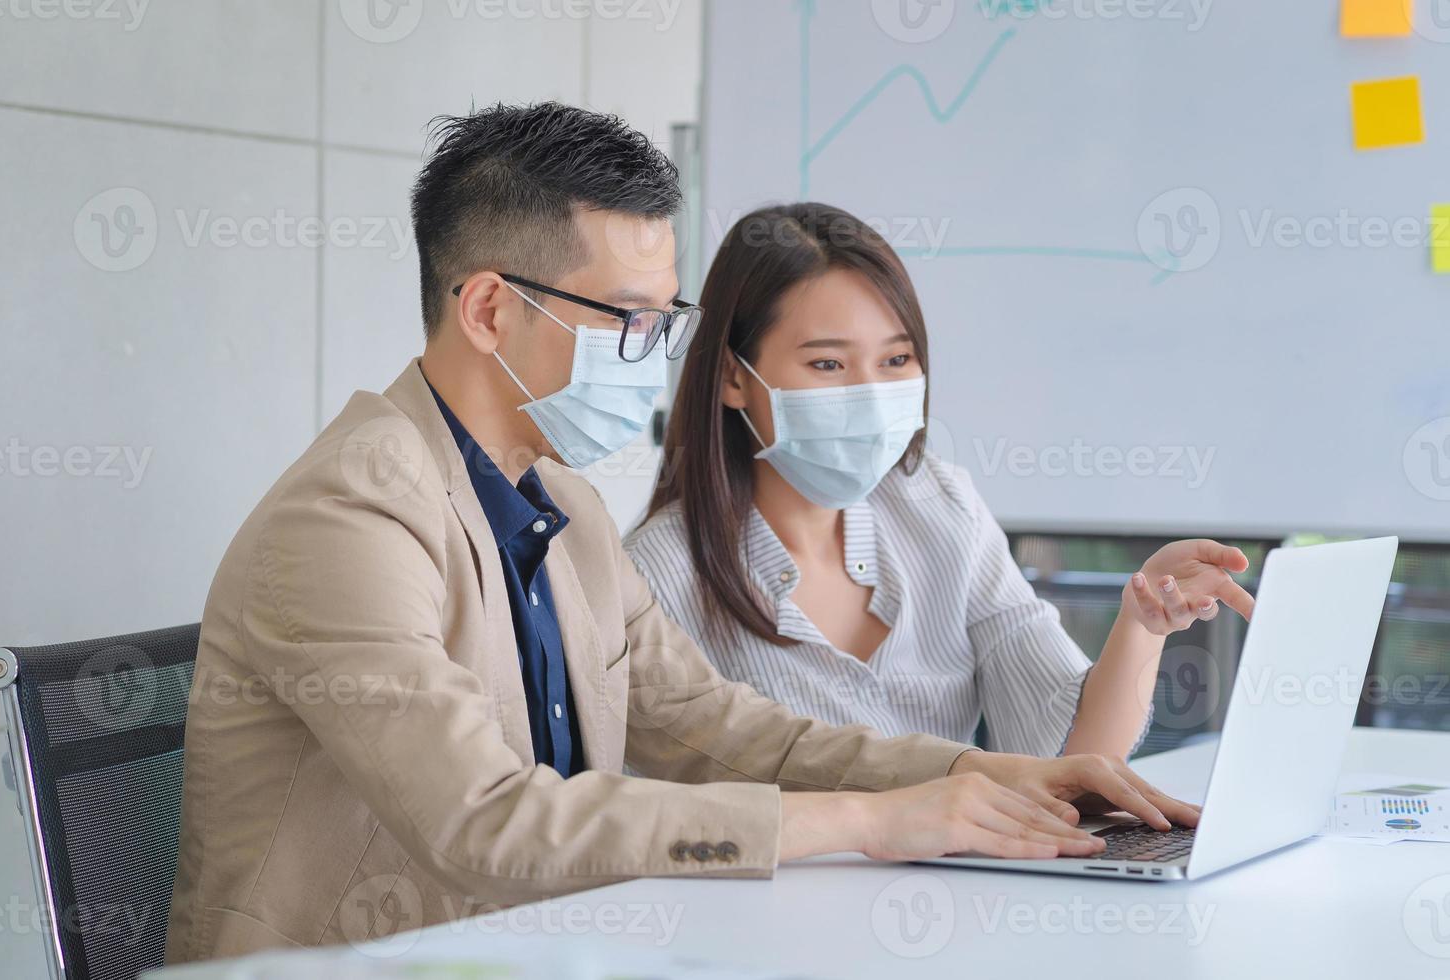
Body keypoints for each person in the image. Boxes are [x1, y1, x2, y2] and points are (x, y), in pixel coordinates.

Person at [167, 106, 1200, 963]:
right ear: (488, 308)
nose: (653, 359)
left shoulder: (558, 506)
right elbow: (481, 820)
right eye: (625, 319)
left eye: (662, 321)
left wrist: (977, 776)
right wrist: (867, 821)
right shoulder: (349, 514)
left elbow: (721, 731)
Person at [625, 202, 1255, 759]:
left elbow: (1077, 755)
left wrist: (1142, 624)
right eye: (827, 363)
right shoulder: (656, 574)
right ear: (734, 378)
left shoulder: (940, 504)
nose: (871, 394)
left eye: (896, 359)